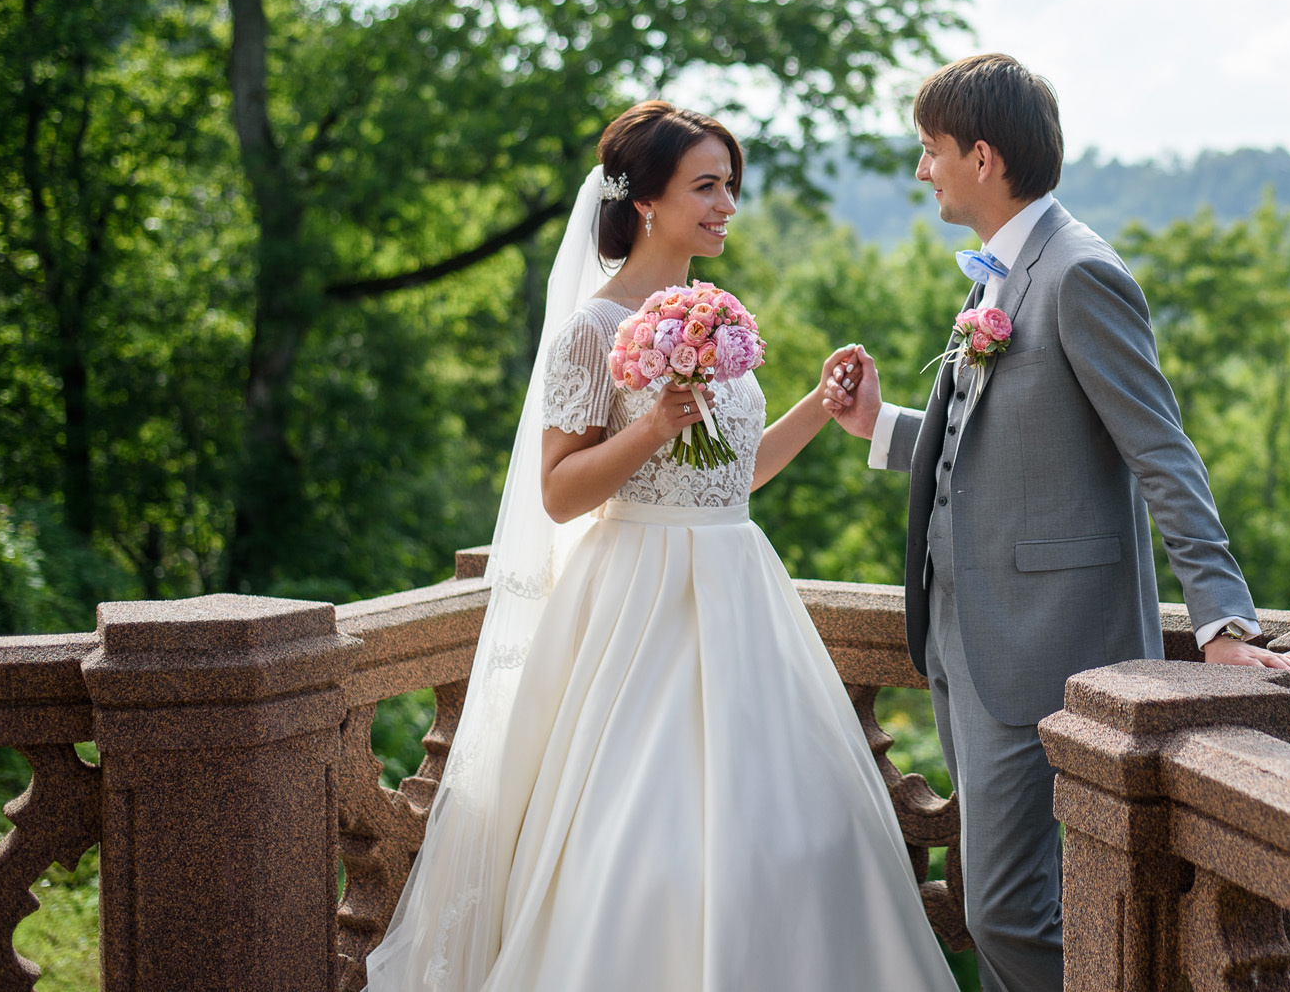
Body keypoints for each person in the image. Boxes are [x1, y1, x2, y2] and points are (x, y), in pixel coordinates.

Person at [367, 100, 958, 992]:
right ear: (645, 198)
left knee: (793, 835)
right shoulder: (592, 331)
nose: (726, 205)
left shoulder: (716, 319)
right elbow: (559, 493)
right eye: (707, 187)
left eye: (731, 187)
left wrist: (819, 405)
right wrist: (649, 430)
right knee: (644, 841)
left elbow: (734, 476)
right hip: (636, 603)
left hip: (740, 587)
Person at [830, 54, 1290, 992]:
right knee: (1000, 903)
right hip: (966, 641)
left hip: (1044, 644)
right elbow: (1005, 442)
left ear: (981, 154)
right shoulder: (1000, 274)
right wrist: (878, 428)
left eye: (929, 151)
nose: (921, 171)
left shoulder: (1080, 273)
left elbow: (1162, 451)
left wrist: (1222, 621)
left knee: (1004, 908)